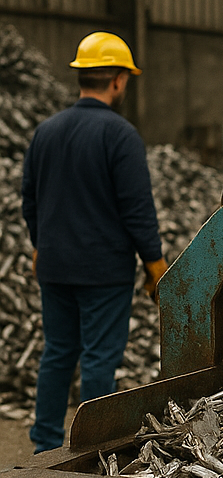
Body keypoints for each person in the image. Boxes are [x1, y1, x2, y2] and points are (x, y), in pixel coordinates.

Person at [21, 32, 167, 453]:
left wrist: (38, 245)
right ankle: (91, 448)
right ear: (119, 80)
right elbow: (136, 209)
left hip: (55, 266)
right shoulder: (120, 135)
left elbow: (30, 199)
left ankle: (45, 445)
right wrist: (155, 265)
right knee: (100, 359)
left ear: (82, 76)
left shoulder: (45, 132)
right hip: (103, 272)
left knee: (57, 353)